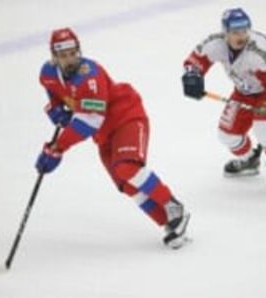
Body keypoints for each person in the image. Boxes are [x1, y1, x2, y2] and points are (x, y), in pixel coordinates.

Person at [36, 28, 190, 248]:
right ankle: (169, 223)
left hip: (126, 117)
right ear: (54, 56)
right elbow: (54, 93)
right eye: (63, 55)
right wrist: (56, 109)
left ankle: (173, 206)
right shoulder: (48, 73)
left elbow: (89, 122)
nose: (70, 59)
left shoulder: (90, 76)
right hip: (104, 134)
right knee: (124, 184)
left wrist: (57, 147)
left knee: (126, 167)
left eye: (73, 53)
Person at [182, 8, 266, 190]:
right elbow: (196, 59)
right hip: (245, 92)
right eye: (235, 32)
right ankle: (250, 160)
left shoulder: (257, 52)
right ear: (225, 33)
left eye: (244, 31)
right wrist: (192, 76)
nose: (241, 36)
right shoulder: (216, 43)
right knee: (227, 135)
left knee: (263, 129)